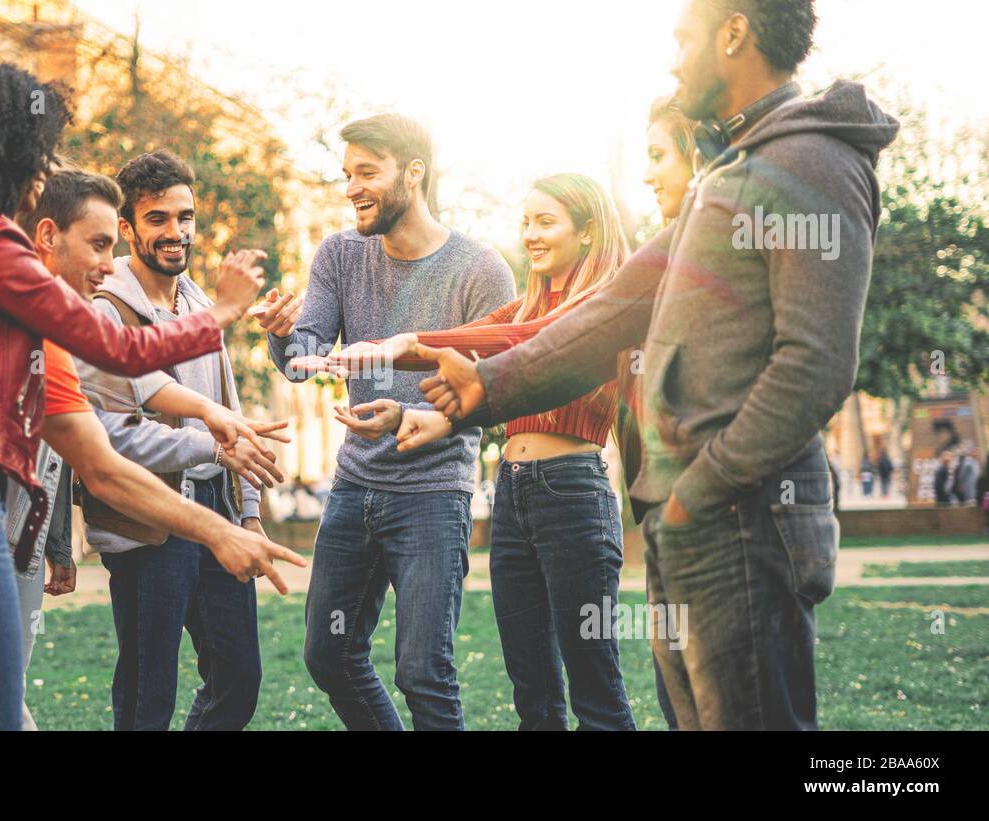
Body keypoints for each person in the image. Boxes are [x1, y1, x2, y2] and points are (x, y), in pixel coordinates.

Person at [405, 0, 899, 729]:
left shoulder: (812, 160)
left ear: (735, 32)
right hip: (692, 519)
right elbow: (616, 310)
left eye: (683, 38)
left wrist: (702, 487)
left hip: (743, 516)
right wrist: (490, 384)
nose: (672, 58)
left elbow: (815, 365)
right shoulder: (730, 175)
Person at [0, 57, 299, 730]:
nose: (44, 170)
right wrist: (225, 311)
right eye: (37, 153)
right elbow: (118, 349)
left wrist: (209, 416)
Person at [306, 174, 638, 730]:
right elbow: (477, 338)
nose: (530, 235)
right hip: (513, 495)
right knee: (533, 692)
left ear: (588, 231)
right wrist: (402, 387)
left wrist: (412, 344)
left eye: (546, 222)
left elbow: (524, 342)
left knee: (595, 688)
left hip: (574, 496)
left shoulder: (603, 306)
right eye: (526, 222)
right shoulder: (528, 303)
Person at [257, 114, 516, 730]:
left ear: (414, 172)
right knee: (328, 654)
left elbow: (497, 392)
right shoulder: (341, 256)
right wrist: (285, 334)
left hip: (433, 494)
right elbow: (303, 361)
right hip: (353, 489)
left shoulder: (481, 270)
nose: (351, 188)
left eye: (367, 172)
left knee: (423, 670)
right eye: (347, 174)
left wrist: (416, 414)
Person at [75, 151, 283, 731]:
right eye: (158, 219)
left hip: (216, 505)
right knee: (149, 695)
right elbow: (113, 439)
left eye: (185, 217)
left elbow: (227, 406)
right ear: (127, 227)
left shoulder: (195, 301)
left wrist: (246, 511)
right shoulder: (104, 306)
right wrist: (211, 447)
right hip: (147, 520)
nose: (176, 232)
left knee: (238, 677)